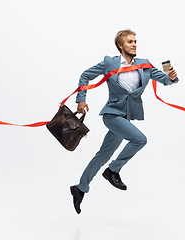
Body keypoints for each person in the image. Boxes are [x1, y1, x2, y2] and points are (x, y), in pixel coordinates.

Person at [70, 29, 179, 214]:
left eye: (135, 41)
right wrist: (81, 99)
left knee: (102, 155)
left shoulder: (144, 65)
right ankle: (113, 170)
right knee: (140, 139)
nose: (134, 44)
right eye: (130, 41)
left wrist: (171, 77)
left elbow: (165, 80)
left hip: (126, 117)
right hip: (112, 115)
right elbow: (85, 76)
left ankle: (80, 187)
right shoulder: (109, 62)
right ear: (121, 45)